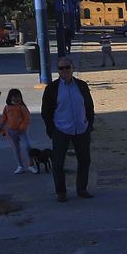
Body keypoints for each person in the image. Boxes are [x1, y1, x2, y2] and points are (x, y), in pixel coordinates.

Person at [41, 57, 95, 202]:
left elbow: (89, 107)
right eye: (61, 68)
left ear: (72, 67)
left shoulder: (82, 85)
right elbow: (46, 112)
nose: (64, 70)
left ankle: (82, 188)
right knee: (58, 162)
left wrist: (89, 125)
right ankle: (61, 191)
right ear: (57, 70)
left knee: (84, 160)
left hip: (81, 129)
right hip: (61, 129)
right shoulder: (52, 89)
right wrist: (52, 130)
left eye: (67, 67)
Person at [0, 88, 33, 174]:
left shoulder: (22, 107)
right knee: (16, 149)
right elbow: (3, 119)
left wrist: (22, 127)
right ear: (10, 98)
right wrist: (2, 128)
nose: (17, 99)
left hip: (22, 131)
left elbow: (27, 118)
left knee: (27, 146)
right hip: (11, 131)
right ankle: (20, 166)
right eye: (14, 97)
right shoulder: (7, 108)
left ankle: (31, 164)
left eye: (18, 97)